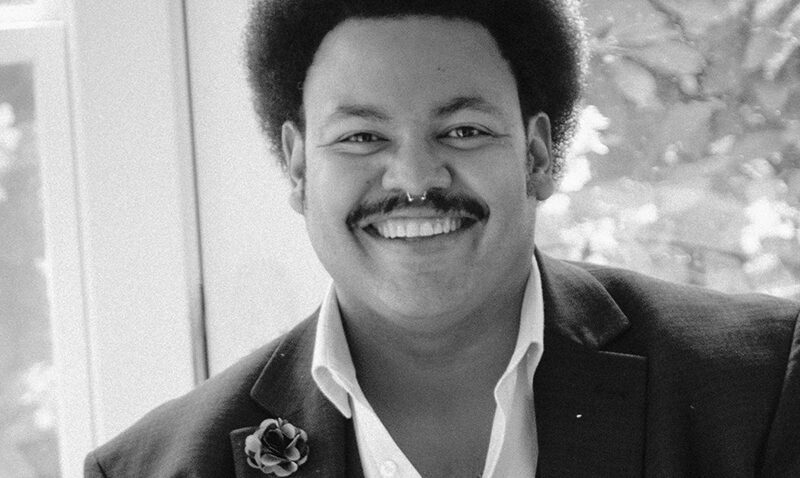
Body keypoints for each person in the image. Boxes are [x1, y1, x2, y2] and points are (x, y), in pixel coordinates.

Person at [85, 0, 800, 476]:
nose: (416, 178)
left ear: (537, 154)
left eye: (462, 130)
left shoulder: (762, 385)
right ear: (301, 168)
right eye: (362, 136)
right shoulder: (158, 467)